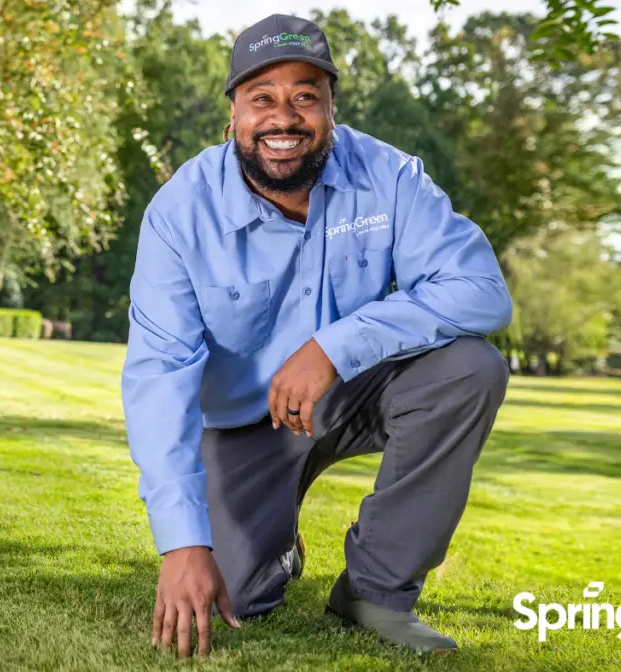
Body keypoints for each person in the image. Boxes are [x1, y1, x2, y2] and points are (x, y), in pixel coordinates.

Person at [121, 13, 513, 659]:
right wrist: (182, 544)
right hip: (244, 424)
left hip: (354, 391)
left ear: (332, 108)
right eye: (263, 99)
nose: (285, 117)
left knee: (469, 369)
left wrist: (335, 346)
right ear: (234, 117)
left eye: (306, 96)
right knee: (236, 601)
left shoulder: (390, 176)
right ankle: (273, 541)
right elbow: (159, 376)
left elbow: (480, 291)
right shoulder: (181, 212)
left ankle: (376, 594)